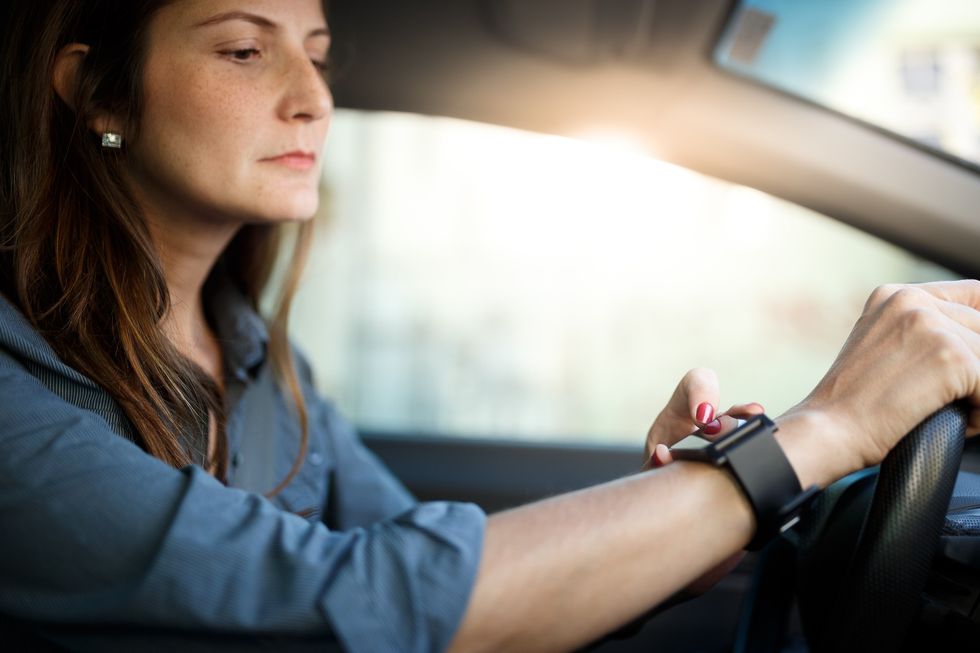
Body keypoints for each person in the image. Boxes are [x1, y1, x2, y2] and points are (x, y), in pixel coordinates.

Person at [1, 1, 979, 651]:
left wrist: (693, 521)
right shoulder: (14, 406)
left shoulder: (255, 355)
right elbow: (384, 594)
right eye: (246, 50)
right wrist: (821, 433)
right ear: (96, 89)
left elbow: (451, 572)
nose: (310, 97)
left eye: (319, 54)